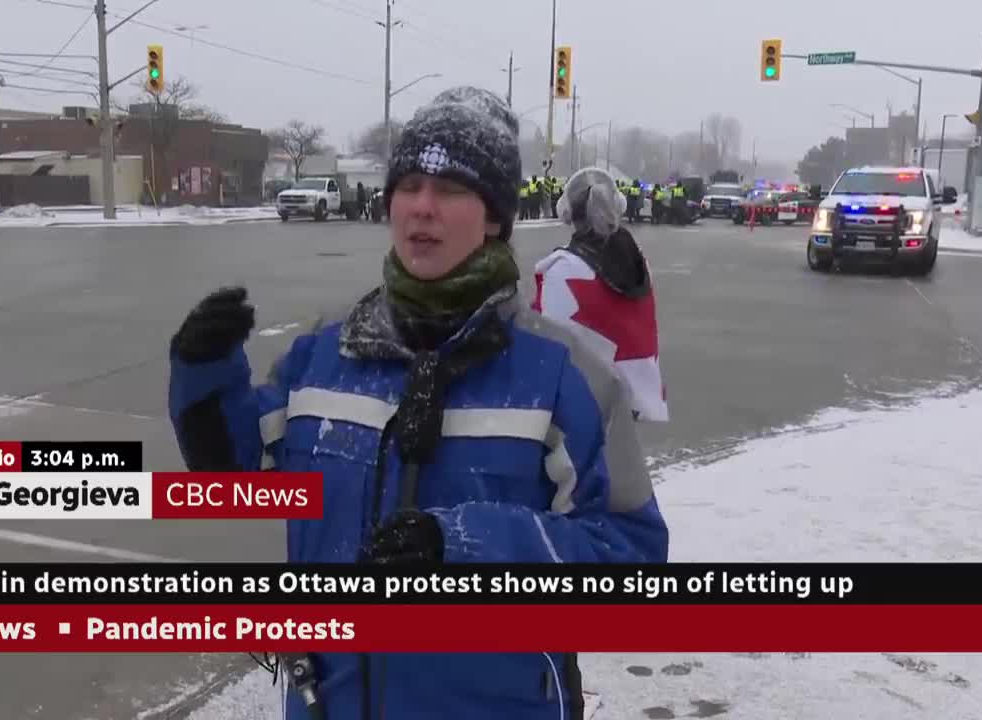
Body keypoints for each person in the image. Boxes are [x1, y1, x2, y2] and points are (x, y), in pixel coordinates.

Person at [168, 86, 668, 719]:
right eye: (408, 185)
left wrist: (464, 546)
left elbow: (630, 558)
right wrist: (203, 373)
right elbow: (235, 474)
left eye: (451, 190)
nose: (422, 208)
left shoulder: (564, 377)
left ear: (493, 216)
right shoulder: (324, 354)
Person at [534, 167, 669, 423]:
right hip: (632, 400)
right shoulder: (638, 262)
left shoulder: (561, 270)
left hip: (583, 408)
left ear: (567, 212)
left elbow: (549, 352)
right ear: (618, 205)